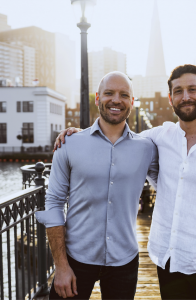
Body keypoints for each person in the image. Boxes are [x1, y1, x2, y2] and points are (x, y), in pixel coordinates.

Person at [55, 64, 196, 300]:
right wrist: (80, 134)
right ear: (170, 98)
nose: (185, 97)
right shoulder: (156, 138)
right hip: (169, 263)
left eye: (192, 90)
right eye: (178, 91)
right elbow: (117, 138)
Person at [36, 71, 159, 300]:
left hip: (124, 261)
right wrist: (61, 266)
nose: (116, 100)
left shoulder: (147, 148)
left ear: (131, 102)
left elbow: (174, 183)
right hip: (75, 259)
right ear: (97, 98)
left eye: (124, 95)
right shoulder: (70, 144)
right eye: (109, 93)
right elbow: (53, 203)